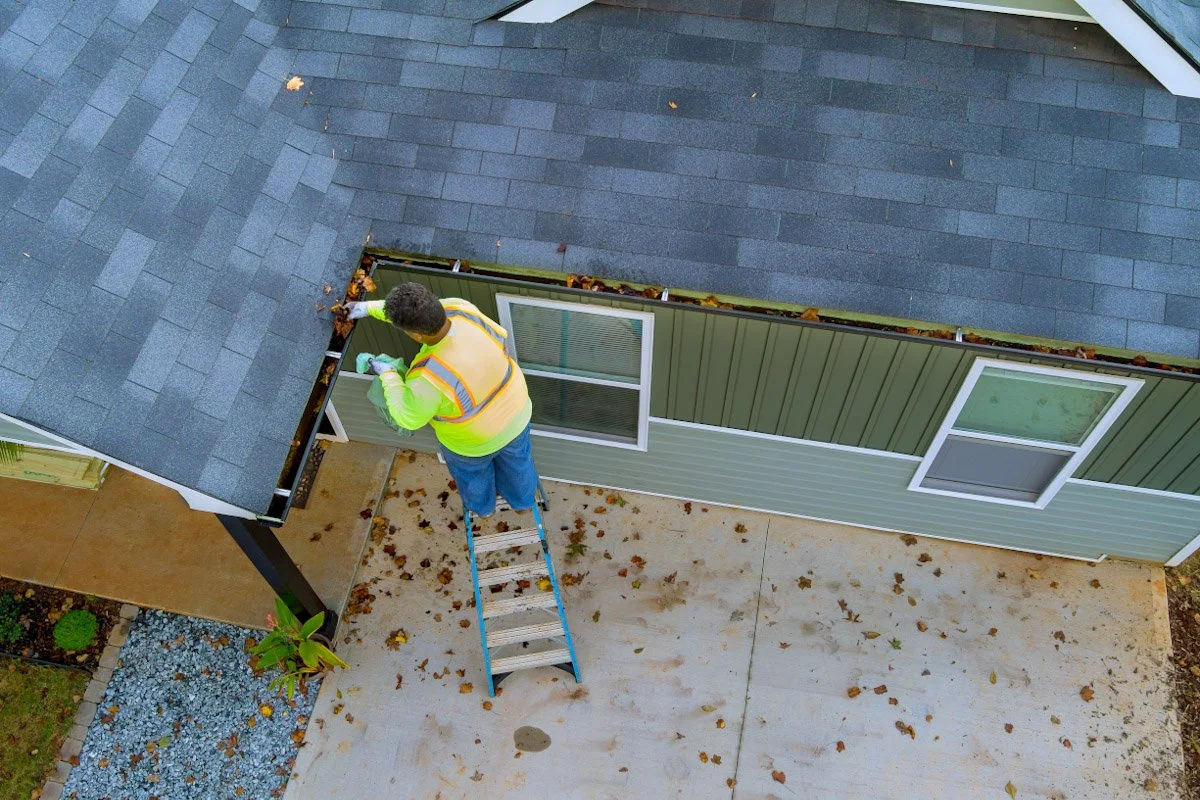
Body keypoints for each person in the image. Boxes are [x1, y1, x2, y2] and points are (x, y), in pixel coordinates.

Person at [344, 284, 536, 518]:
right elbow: (410, 311)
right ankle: (523, 502)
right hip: (517, 413)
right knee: (519, 465)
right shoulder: (460, 309)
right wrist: (365, 308)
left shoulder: (430, 377)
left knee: (473, 477)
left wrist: (388, 374)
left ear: (416, 335)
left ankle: (484, 509)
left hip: (472, 443)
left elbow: (408, 417)